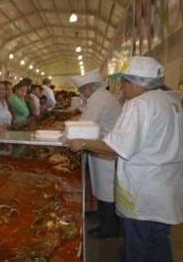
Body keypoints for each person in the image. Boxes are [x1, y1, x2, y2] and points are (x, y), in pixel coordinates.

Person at [67, 56, 183, 262]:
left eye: (125, 81)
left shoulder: (139, 105)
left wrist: (81, 143)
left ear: (137, 82)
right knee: (158, 244)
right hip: (167, 187)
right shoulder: (172, 102)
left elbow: (116, 147)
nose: (122, 86)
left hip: (144, 190)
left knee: (138, 248)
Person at [70, 68, 121, 238]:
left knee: (106, 188)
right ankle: (101, 214)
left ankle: (109, 226)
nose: (82, 94)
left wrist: (68, 135)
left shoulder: (97, 99)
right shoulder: (102, 96)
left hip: (105, 148)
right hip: (103, 145)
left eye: (82, 90)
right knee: (101, 187)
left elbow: (87, 123)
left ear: (89, 88)